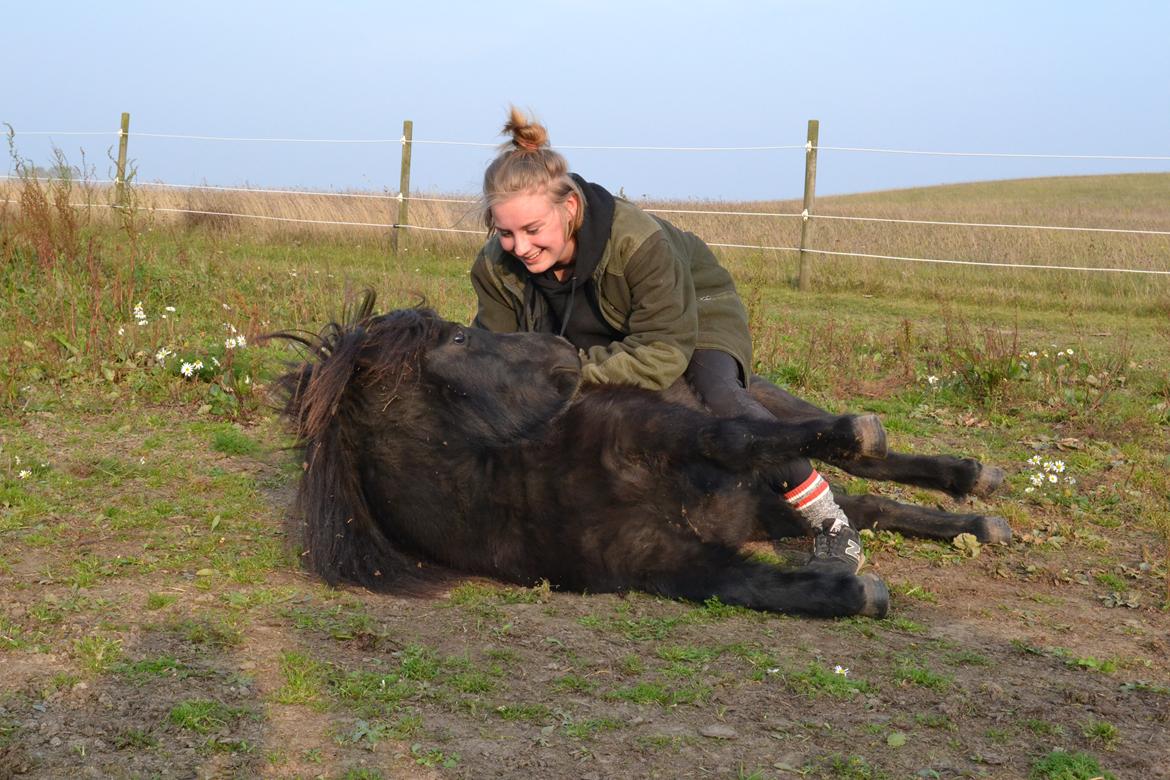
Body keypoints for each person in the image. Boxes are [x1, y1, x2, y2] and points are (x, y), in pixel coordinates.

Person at [469, 107, 864, 574]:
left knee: (717, 397)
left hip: (694, 312)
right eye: (506, 232)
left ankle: (832, 526)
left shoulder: (638, 241)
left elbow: (662, 354)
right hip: (602, 334)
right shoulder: (496, 266)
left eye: (532, 230)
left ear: (569, 208)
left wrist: (562, 370)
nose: (519, 247)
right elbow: (495, 355)